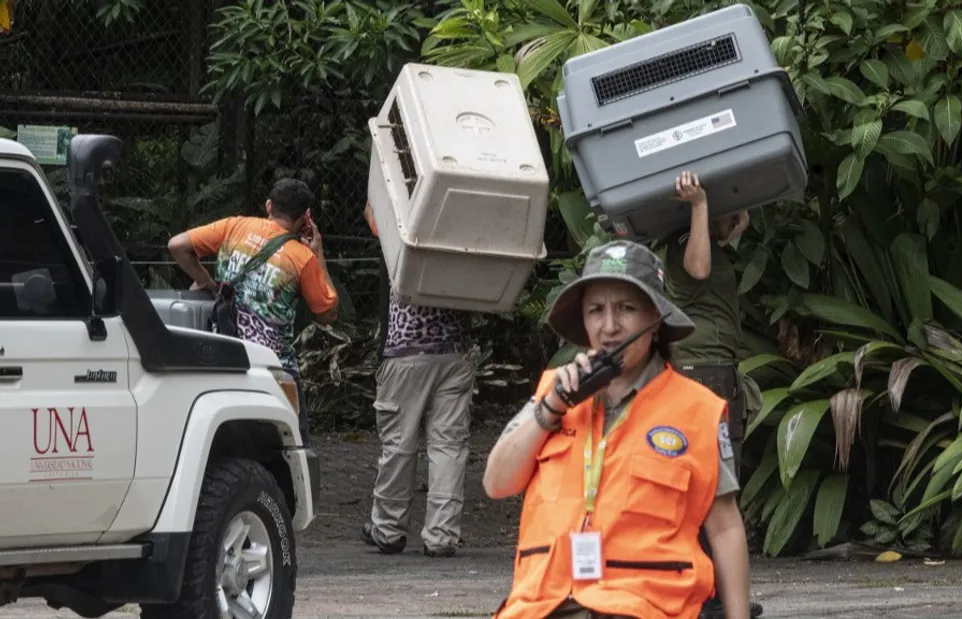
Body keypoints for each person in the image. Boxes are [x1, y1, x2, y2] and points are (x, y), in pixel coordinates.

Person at [483, 240, 752, 619]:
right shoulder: (554, 391)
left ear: (655, 321)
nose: (609, 326)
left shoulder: (698, 409)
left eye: (626, 308)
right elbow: (496, 483)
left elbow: (724, 527)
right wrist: (552, 407)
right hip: (544, 606)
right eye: (596, 310)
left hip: (645, 607)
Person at [657, 170, 762, 619]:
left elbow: (731, 233)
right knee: (711, 491)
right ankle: (709, 599)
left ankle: (714, 594)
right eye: (729, 210)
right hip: (702, 378)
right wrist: (700, 204)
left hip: (714, 376)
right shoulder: (686, 243)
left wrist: (730, 215)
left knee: (716, 486)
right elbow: (698, 268)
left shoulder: (712, 244)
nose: (737, 218)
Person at [167, 178, 339, 445]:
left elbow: (177, 245)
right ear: (305, 218)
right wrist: (318, 255)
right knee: (292, 446)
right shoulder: (302, 258)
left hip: (225, 360)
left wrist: (207, 282)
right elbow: (327, 314)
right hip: (274, 369)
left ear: (269, 205)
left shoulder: (235, 226)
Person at [360, 200, 476, 558]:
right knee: (448, 446)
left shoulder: (402, 228)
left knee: (399, 444)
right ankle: (441, 535)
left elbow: (372, 210)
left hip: (407, 353)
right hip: (455, 352)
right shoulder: (466, 235)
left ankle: (388, 529)